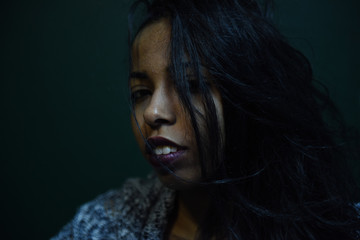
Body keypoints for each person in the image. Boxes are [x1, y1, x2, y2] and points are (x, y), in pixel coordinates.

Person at [52, 0, 360, 239]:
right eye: (140, 92)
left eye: (192, 85)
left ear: (250, 98)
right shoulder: (105, 224)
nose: (152, 112)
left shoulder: (340, 228)